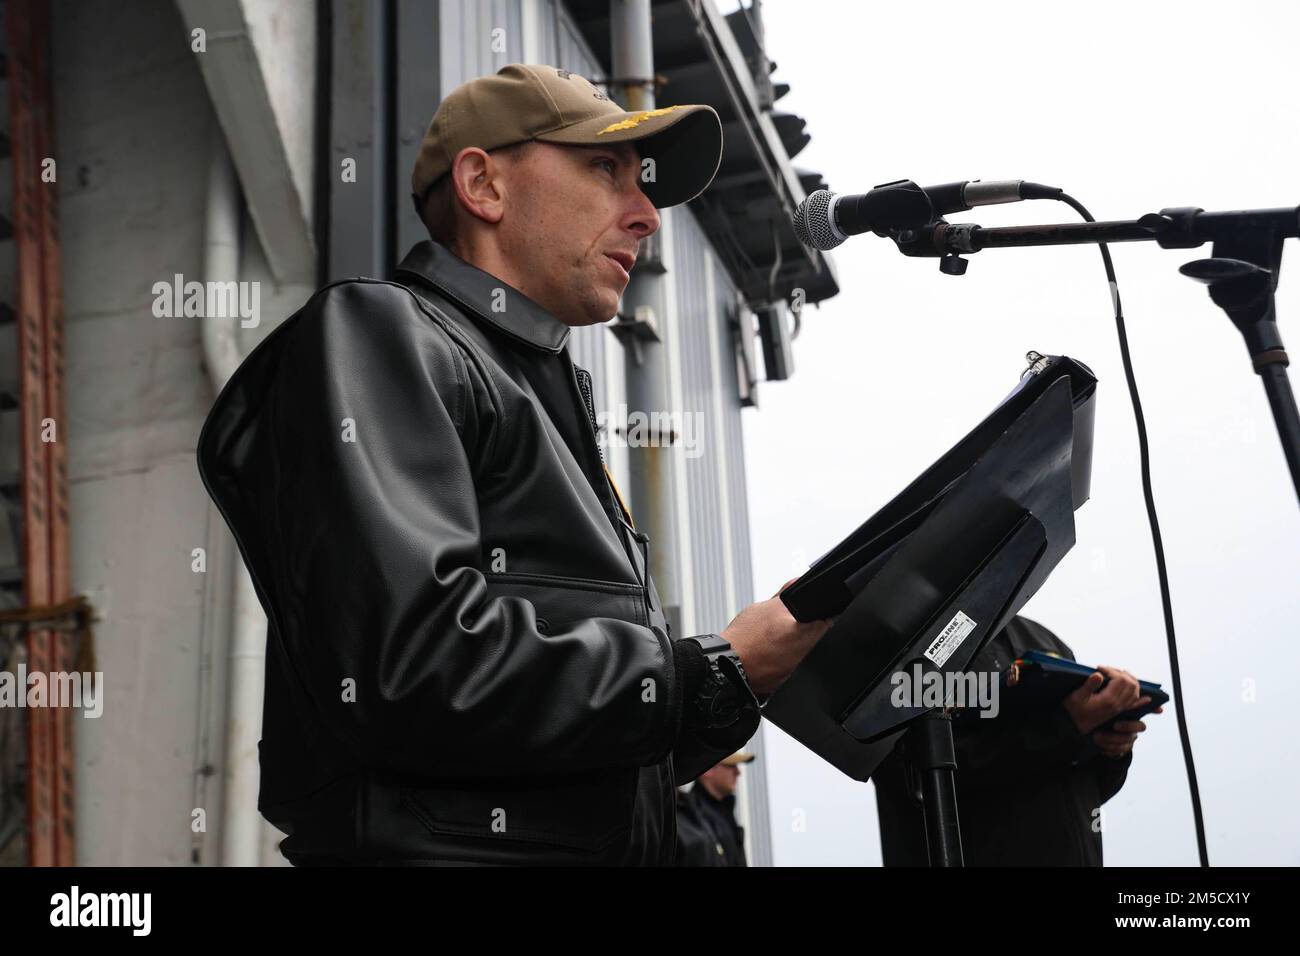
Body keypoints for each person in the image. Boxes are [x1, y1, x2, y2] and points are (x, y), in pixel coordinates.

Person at [196, 63, 830, 866]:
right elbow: (414, 667)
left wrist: (734, 683)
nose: (647, 217)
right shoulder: (384, 335)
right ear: (482, 185)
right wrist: (708, 668)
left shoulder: (544, 391)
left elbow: (558, 753)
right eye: (605, 169)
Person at [873, 615, 1160, 866]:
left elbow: (1079, 791)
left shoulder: (1044, 640)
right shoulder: (905, 649)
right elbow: (919, 777)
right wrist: (1065, 726)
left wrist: (1110, 747)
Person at [675, 751, 755, 866]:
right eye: (731, 766)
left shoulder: (724, 813)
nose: (738, 772)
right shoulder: (689, 816)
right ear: (708, 769)